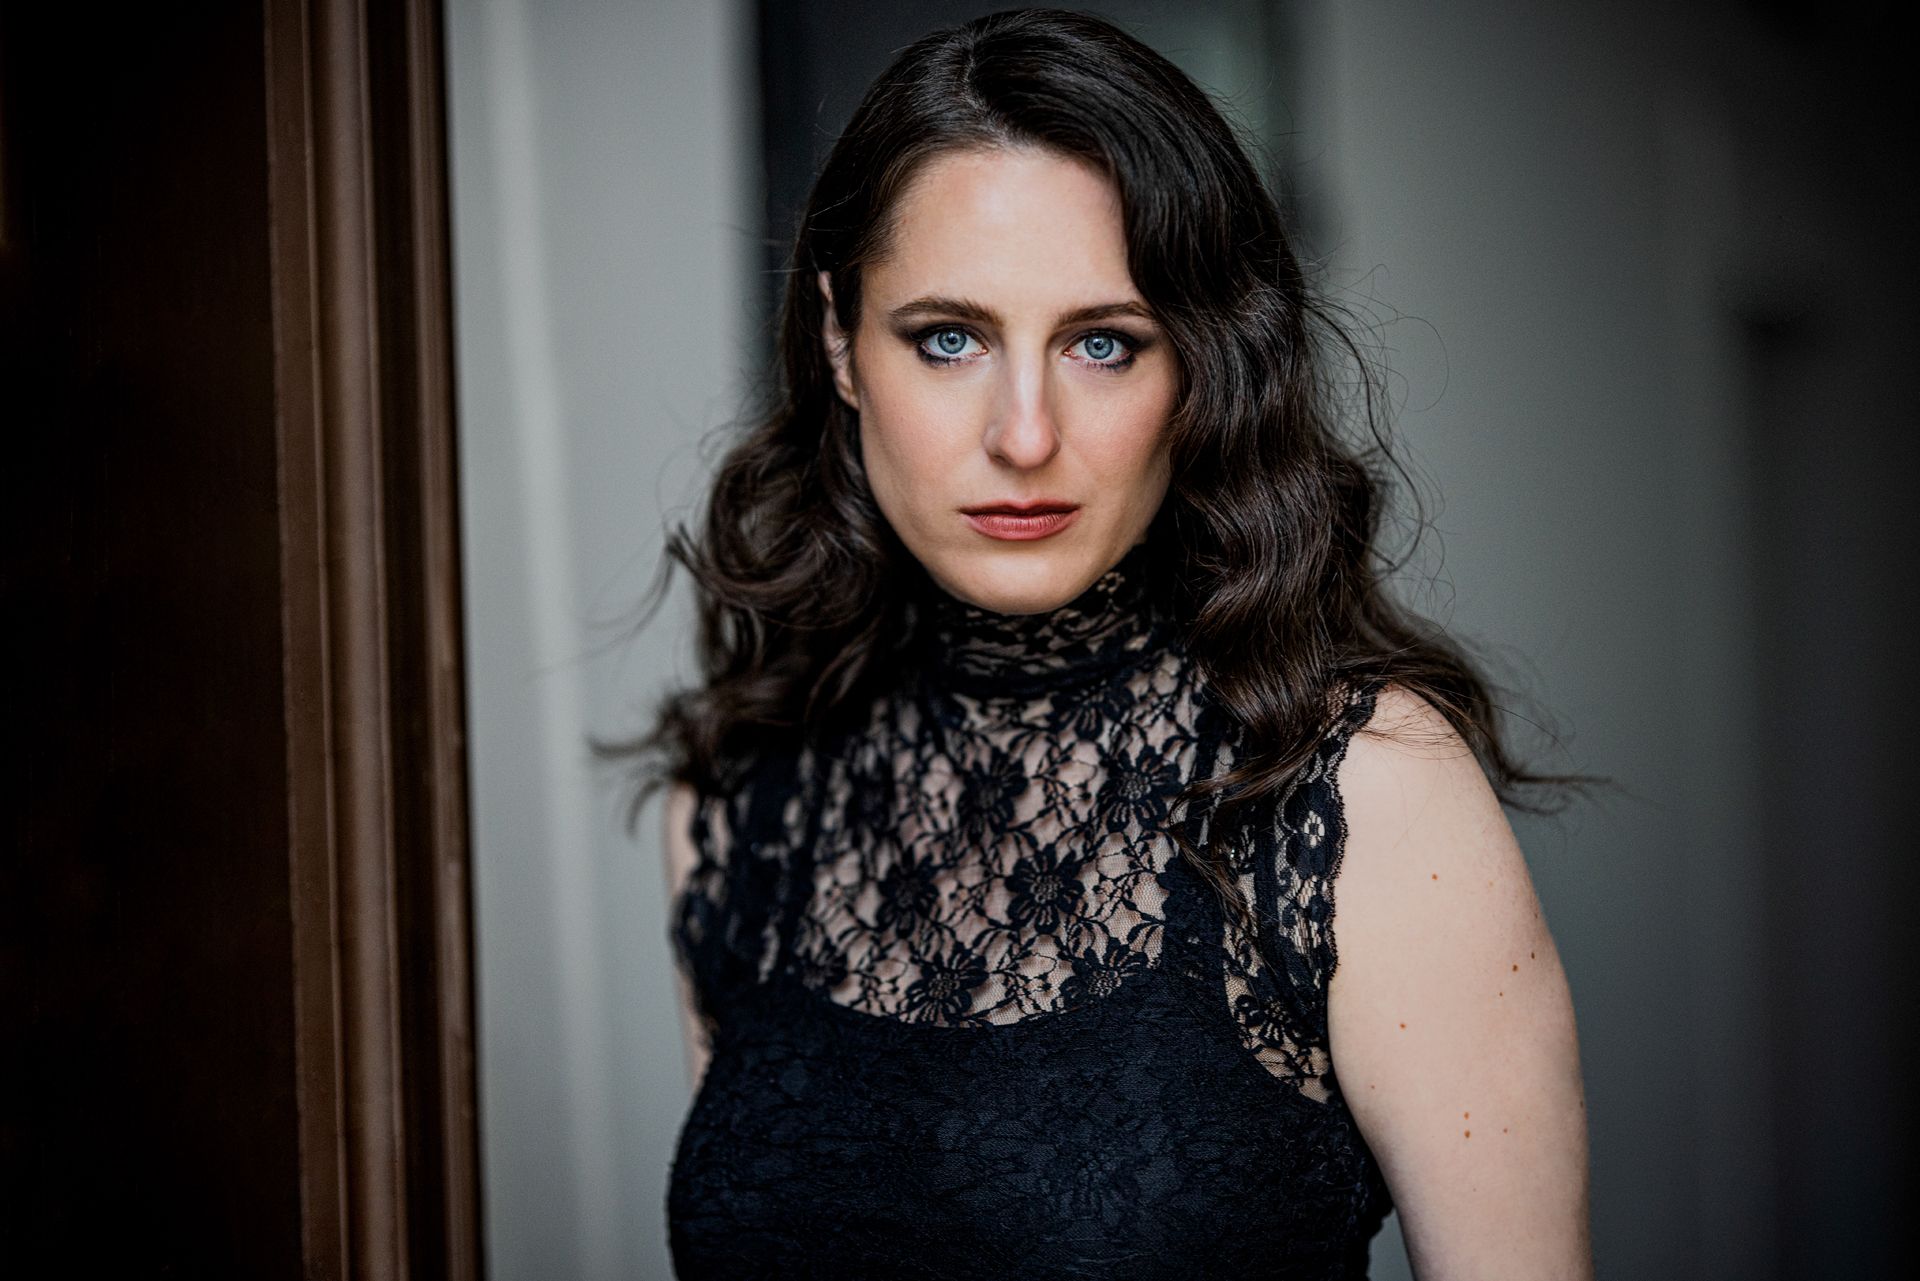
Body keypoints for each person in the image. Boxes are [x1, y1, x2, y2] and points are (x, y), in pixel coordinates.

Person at [615, 8, 1593, 1277]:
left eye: (1103, 344)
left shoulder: (1364, 791)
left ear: (1200, 366)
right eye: (949, 338)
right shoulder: (740, 803)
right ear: (839, 342)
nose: (1025, 434)